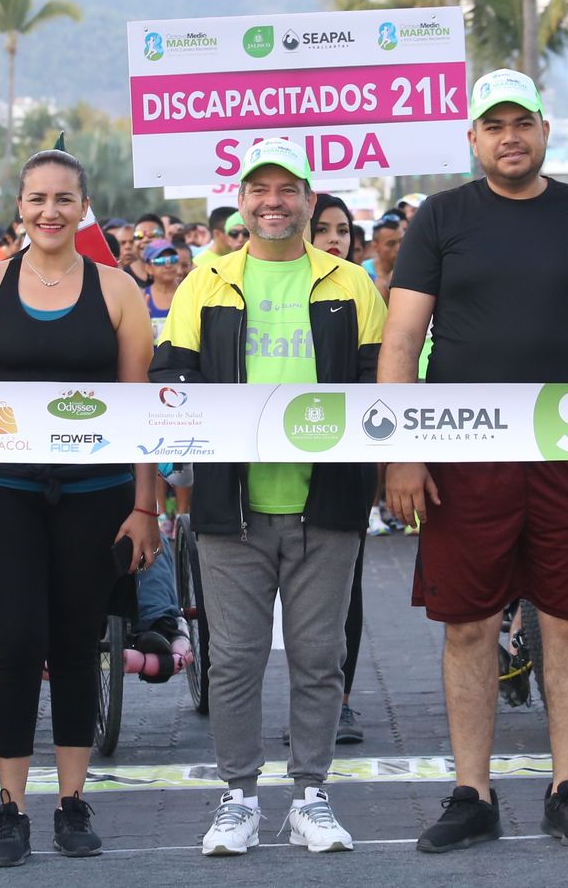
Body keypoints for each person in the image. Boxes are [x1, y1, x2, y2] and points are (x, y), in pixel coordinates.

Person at [381, 69, 568, 854]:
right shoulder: (441, 216)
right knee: (468, 625)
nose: (510, 137)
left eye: (523, 122)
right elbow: (401, 340)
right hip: (463, 451)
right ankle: (472, 793)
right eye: (494, 125)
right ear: (473, 138)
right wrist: (401, 449)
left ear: (544, 129)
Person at [152, 138, 385, 856]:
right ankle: (239, 798)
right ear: (242, 200)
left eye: (287, 189)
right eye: (260, 189)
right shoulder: (205, 282)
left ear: (309, 200)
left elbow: (380, 383)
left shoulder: (352, 283)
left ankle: (311, 795)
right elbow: (171, 380)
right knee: (234, 660)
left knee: (319, 658)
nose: (273, 201)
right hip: (231, 509)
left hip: (328, 504)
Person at [0, 149, 160, 867]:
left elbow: (142, 407)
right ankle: (11, 807)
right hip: (1, 490)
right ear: (19, 207)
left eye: (64, 198)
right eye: (37, 198)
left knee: (76, 643)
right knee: (17, 642)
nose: (50, 211)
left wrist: (146, 506)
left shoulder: (118, 289)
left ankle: (71, 801)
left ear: (83, 207)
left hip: (96, 494)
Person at [142, 239, 189, 323]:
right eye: (160, 261)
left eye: (172, 259)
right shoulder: (141, 297)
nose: (168, 265)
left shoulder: (188, 294)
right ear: (148, 268)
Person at [364, 214, 402, 296]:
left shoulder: (412, 270)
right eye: (391, 243)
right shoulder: (363, 272)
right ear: (375, 246)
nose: (399, 248)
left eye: (402, 241)